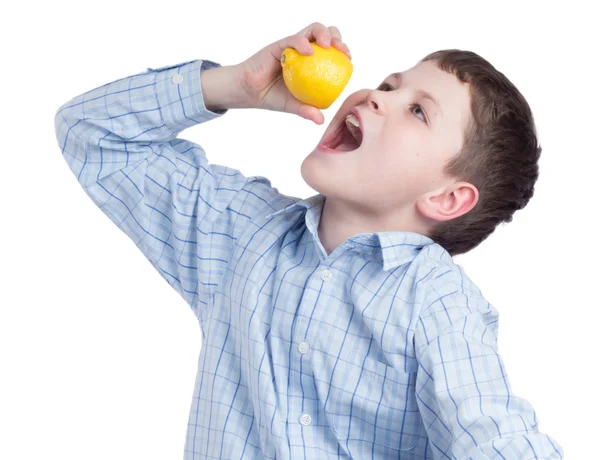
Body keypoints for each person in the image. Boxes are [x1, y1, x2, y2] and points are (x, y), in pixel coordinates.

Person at [54, 22, 563, 460]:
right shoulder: (241, 234)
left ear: (447, 199)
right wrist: (236, 85)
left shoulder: (435, 302)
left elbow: (494, 438)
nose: (376, 95)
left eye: (418, 111)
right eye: (389, 83)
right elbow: (91, 133)